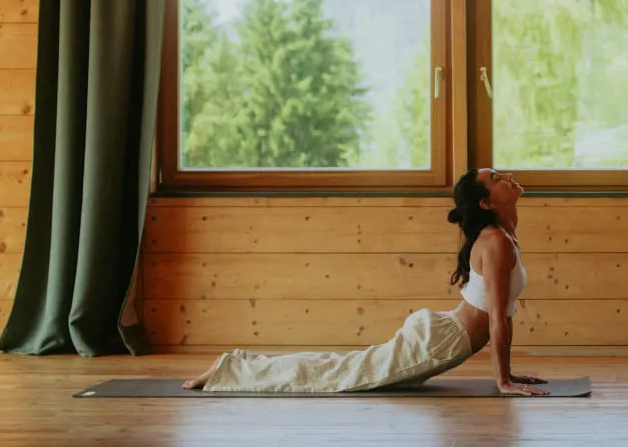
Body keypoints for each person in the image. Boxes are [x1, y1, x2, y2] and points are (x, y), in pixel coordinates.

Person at [183, 168, 550, 396]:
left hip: (443, 333)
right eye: (496, 179)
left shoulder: (503, 236)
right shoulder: (497, 242)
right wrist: (504, 382)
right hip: (439, 342)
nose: (506, 176)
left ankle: (237, 366)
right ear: (486, 203)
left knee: (339, 368)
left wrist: (508, 374)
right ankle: (230, 369)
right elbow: (497, 319)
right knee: (334, 376)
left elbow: (501, 315)